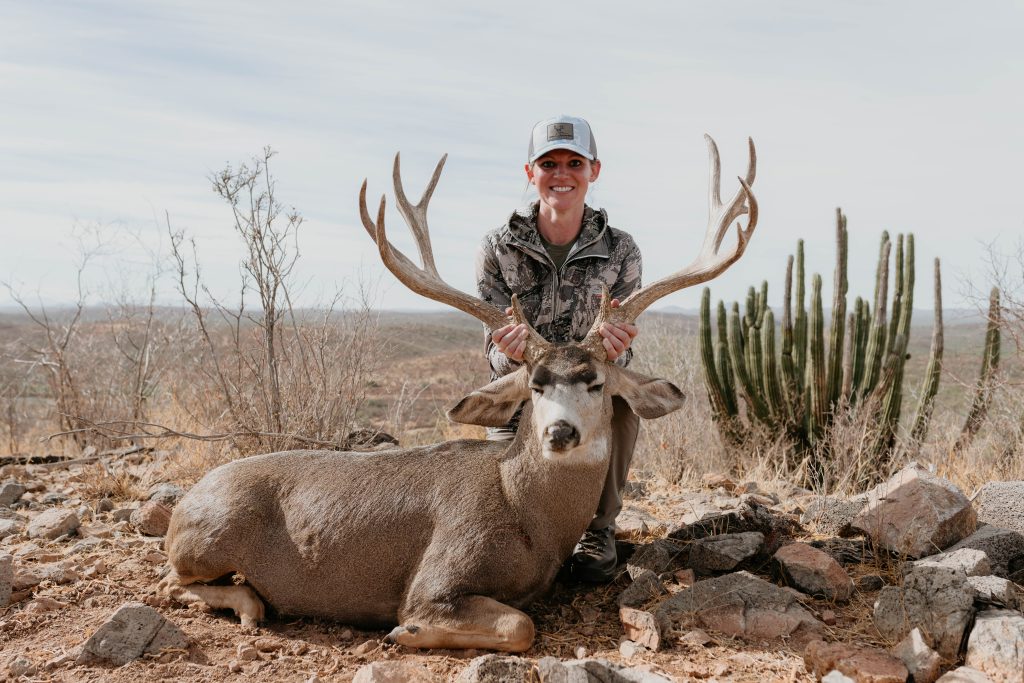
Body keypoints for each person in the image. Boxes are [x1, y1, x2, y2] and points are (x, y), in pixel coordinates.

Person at [475, 114, 642, 582]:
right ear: (531, 173)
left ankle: (599, 529)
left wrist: (616, 347)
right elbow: (492, 352)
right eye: (549, 163)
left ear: (594, 171)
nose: (561, 174)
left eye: (574, 162)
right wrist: (507, 353)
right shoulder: (498, 247)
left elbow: (621, 353)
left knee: (623, 401)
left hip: (586, 390)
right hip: (526, 392)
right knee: (505, 536)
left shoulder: (621, 251)